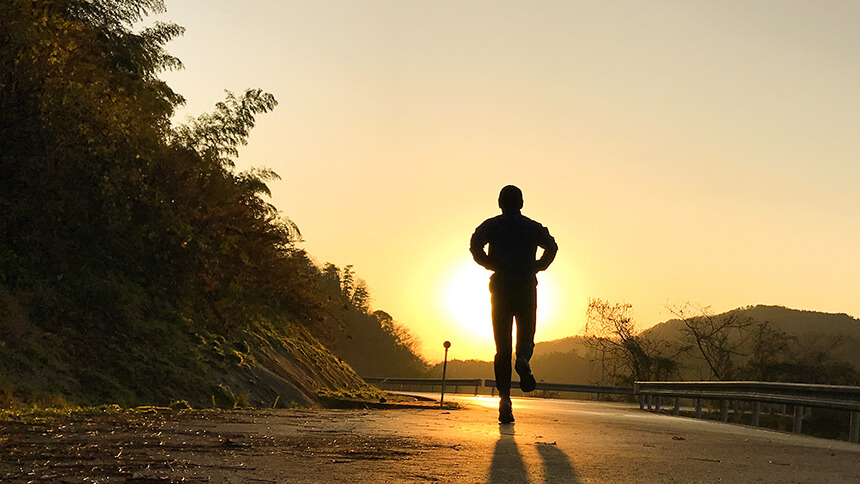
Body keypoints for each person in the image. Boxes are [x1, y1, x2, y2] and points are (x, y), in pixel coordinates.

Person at [470, 185, 558, 424]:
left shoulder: (492, 225)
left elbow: (475, 245)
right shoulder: (532, 227)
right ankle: (524, 359)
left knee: (502, 346)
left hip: (501, 286)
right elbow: (552, 246)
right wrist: (538, 266)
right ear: (521, 203)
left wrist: (490, 263)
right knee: (527, 333)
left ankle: (505, 399)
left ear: (500, 203)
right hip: (526, 286)